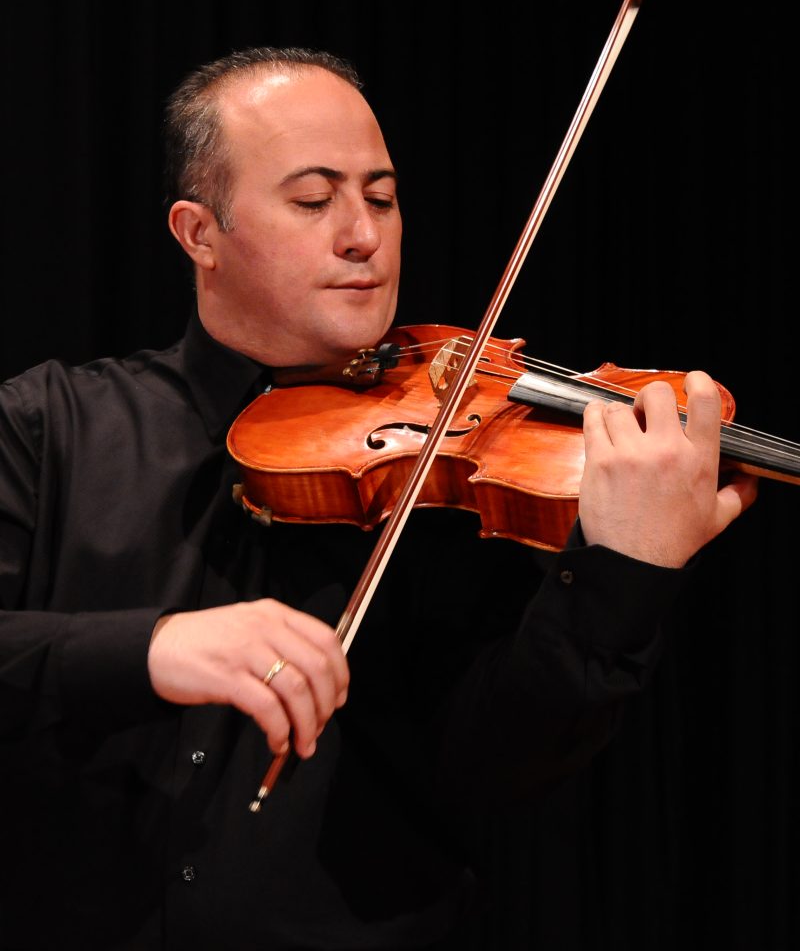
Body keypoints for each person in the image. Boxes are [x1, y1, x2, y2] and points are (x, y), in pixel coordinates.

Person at [0, 47, 757, 951]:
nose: (363, 235)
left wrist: (624, 573)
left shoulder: (449, 472)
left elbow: (498, 769)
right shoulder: (48, 427)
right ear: (199, 234)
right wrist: (151, 648)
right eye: (313, 201)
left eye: (383, 198)